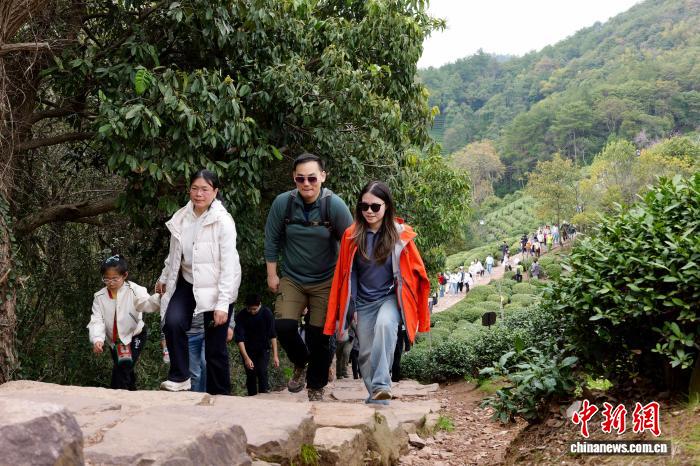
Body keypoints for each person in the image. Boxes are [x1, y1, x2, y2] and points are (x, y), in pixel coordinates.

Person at [324, 181, 430, 404]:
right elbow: (347, 272)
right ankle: (377, 398)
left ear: (386, 206)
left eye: (375, 206)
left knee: (385, 326)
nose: (369, 211)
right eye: (364, 206)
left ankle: (382, 384)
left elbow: (416, 271)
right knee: (365, 353)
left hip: (390, 298)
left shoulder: (400, 235)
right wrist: (350, 303)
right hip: (363, 301)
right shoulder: (352, 235)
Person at [264, 153, 353, 401]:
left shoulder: (334, 206)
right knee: (283, 326)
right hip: (292, 278)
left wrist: (347, 285)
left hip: (326, 280)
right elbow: (271, 239)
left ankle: (316, 387)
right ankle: (301, 361)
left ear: (323, 177)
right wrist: (272, 274)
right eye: (300, 178)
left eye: (312, 178)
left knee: (320, 336)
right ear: (294, 178)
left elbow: (351, 245)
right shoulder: (283, 203)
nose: (306, 184)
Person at [156, 169, 242, 394]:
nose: (199, 194)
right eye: (194, 188)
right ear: (189, 190)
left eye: (205, 189)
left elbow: (228, 265)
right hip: (188, 281)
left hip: (217, 287)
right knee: (172, 322)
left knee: (215, 348)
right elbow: (174, 254)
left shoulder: (223, 221)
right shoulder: (182, 217)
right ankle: (180, 377)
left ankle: (221, 395)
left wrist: (222, 304)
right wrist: (164, 277)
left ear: (215, 191)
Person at [88, 255, 160, 390]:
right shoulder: (99, 297)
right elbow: (97, 319)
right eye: (106, 279)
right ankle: (131, 393)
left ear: (125, 275)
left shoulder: (134, 290)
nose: (110, 283)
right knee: (125, 368)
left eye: (115, 278)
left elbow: (146, 303)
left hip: (135, 335)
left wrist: (160, 298)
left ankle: (115, 394)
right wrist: (97, 339)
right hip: (115, 341)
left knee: (124, 365)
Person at [234, 294, 279, 396]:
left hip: (263, 349)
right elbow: (239, 339)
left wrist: (275, 356)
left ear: (260, 305)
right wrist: (246, 358)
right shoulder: (241, 315)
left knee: (262, 371)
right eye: (249, 309)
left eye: (254, 309)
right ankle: (252, 397)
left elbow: (273, 335)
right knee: (251, 374)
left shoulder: (266, 313)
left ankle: (264, 396)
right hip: (248, 350)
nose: (252, 311)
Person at [187, 314, 206, 392]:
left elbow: (227, 307)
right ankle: (195, 397)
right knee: (195, 375)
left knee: (205, 365)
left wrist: (230, 325)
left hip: (207, 331)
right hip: (189, 334)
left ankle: (205, 395)